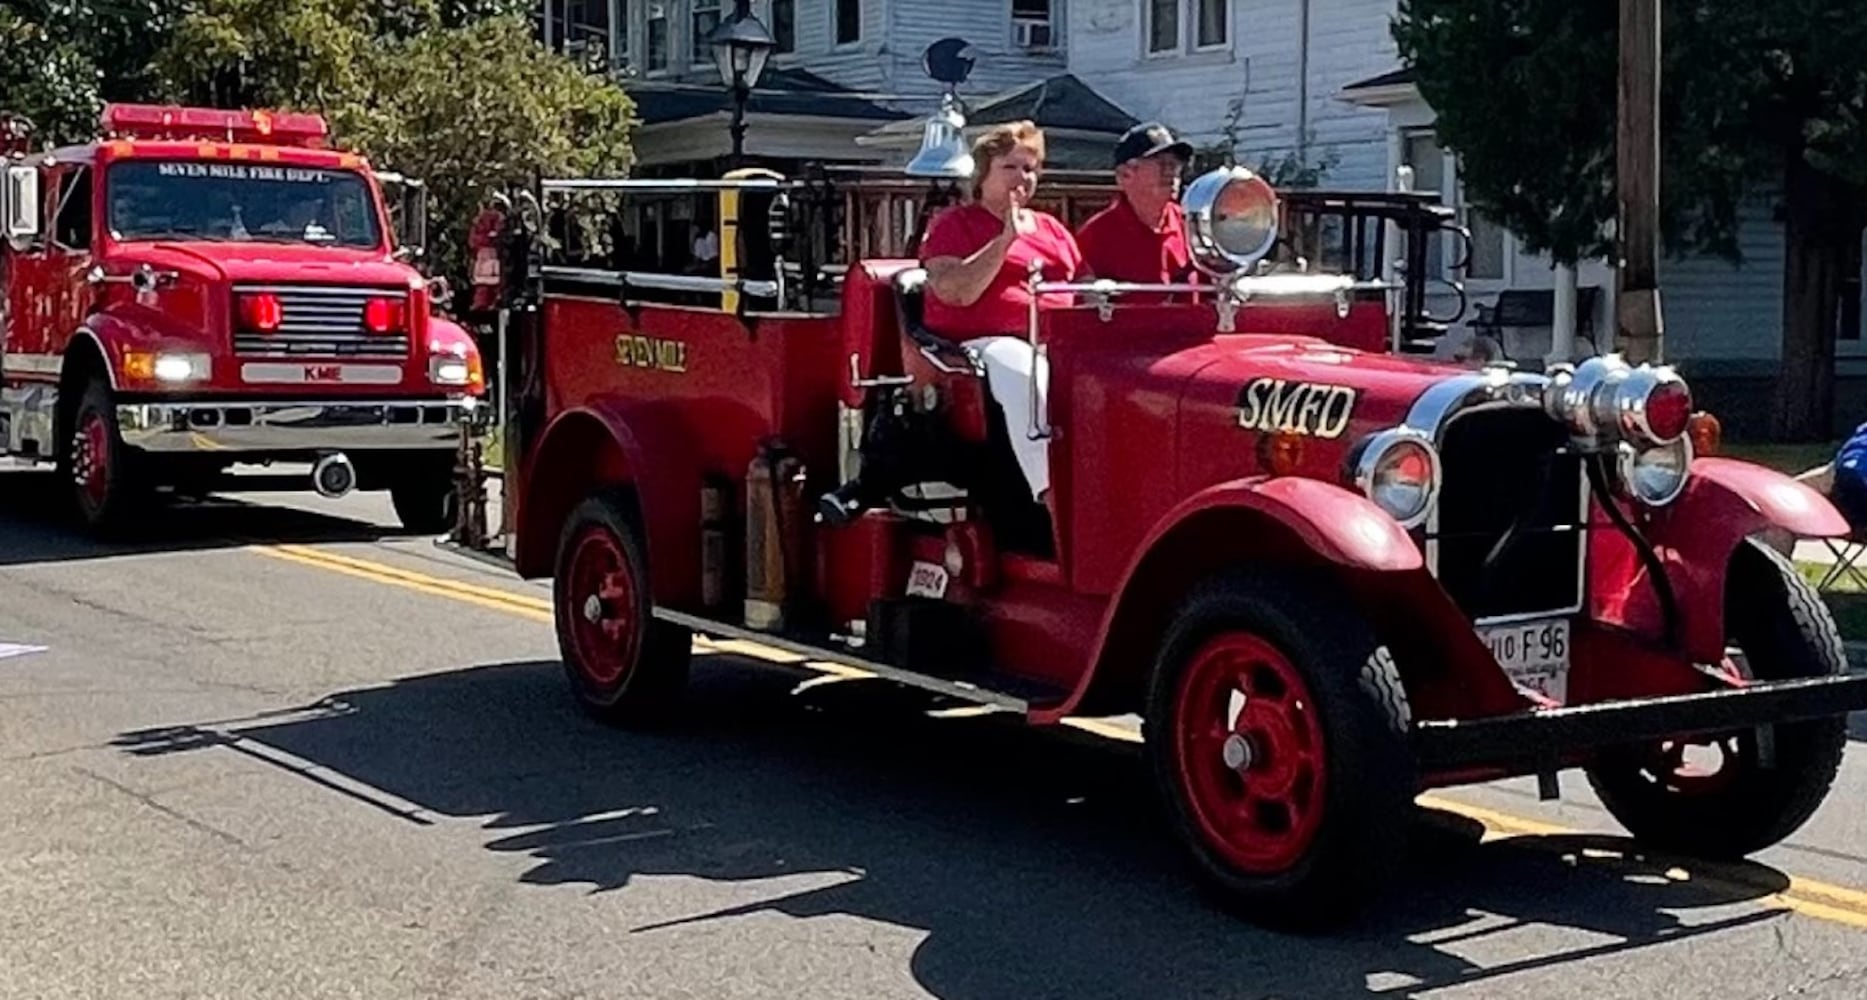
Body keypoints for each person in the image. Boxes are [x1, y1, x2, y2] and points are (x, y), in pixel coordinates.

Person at [918, 119, 1083, 506]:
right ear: (983, 174)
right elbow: (954, 292)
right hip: (986, 342)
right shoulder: (954, 224)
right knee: (1025, 372)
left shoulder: (1052, 229)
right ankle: (1051, 494)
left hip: (1059, 340)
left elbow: (1084, 287)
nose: (1022, 177)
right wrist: (1004, 240)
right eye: (1010, 167)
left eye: (1029, 168)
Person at [1074, 121, 1195, 300]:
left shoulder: (1191, 226)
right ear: (1125, 175)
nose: (1171, 172)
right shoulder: (1096, 237)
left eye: (1175, 164)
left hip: (1191, 327)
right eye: (1161, 163)